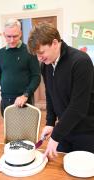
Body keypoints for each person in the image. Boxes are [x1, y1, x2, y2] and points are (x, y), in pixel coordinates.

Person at [27, 22, 94, 159]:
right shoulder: (46, 65)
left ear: (55, 43)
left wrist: (56, 135)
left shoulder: (81, 62)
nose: (39, 58)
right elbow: (50, 95)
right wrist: (50, 122)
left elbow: (78, 107)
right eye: (36, 55)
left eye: (41, 52)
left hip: (86, 132)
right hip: (64, 129)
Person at [0, 19, 40, 116]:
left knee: (25, 130)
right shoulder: (1, 53)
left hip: (24, 100)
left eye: (15, 36)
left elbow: (36, 77)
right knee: (9, 129)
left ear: (20, 33)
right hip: (6, 100)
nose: (12, 40)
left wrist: (26, 95)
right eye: (8, 36)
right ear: (4, 34)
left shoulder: (29, 51)